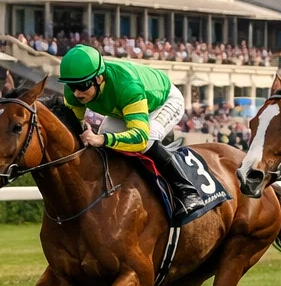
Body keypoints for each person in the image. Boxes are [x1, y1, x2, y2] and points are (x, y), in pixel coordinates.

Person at [56, 44, 199, 216]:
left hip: (163, 102)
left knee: (147, 138)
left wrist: (101, 139)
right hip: (124, 108)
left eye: (83, 86)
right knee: (104, 137)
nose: (77, 93)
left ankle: (188, 191)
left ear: (99, 78)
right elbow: (72, 127)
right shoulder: (76, 89)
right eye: (72, 86)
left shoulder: (127, 85)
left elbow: (139, 138)